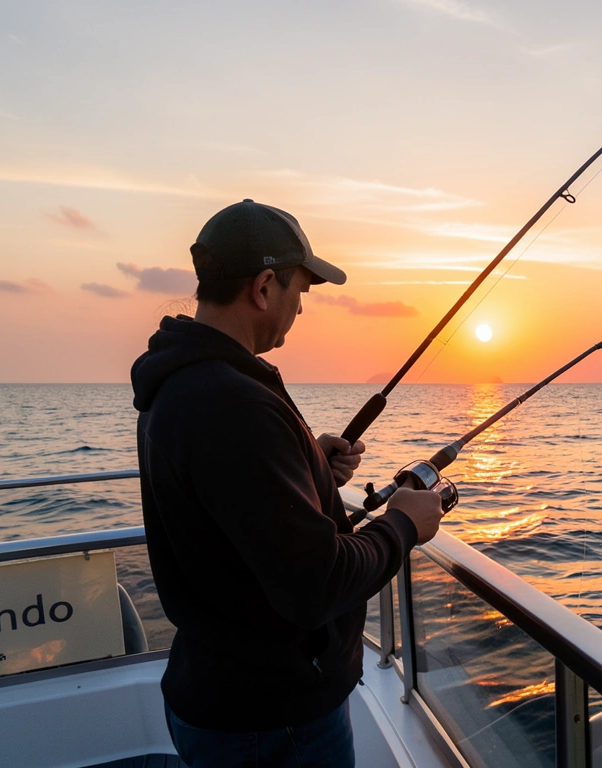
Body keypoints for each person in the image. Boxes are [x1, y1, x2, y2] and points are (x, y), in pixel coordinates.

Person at [131, 199, 444, 767]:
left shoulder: (183, 384)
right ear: (265, 286)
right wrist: (403, 524)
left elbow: (234, 514)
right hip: (270, 720)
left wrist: (308, 467)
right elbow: (315, 584)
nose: (301, 308)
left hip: (220, 687)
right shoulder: (233, 403)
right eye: (301, 289)